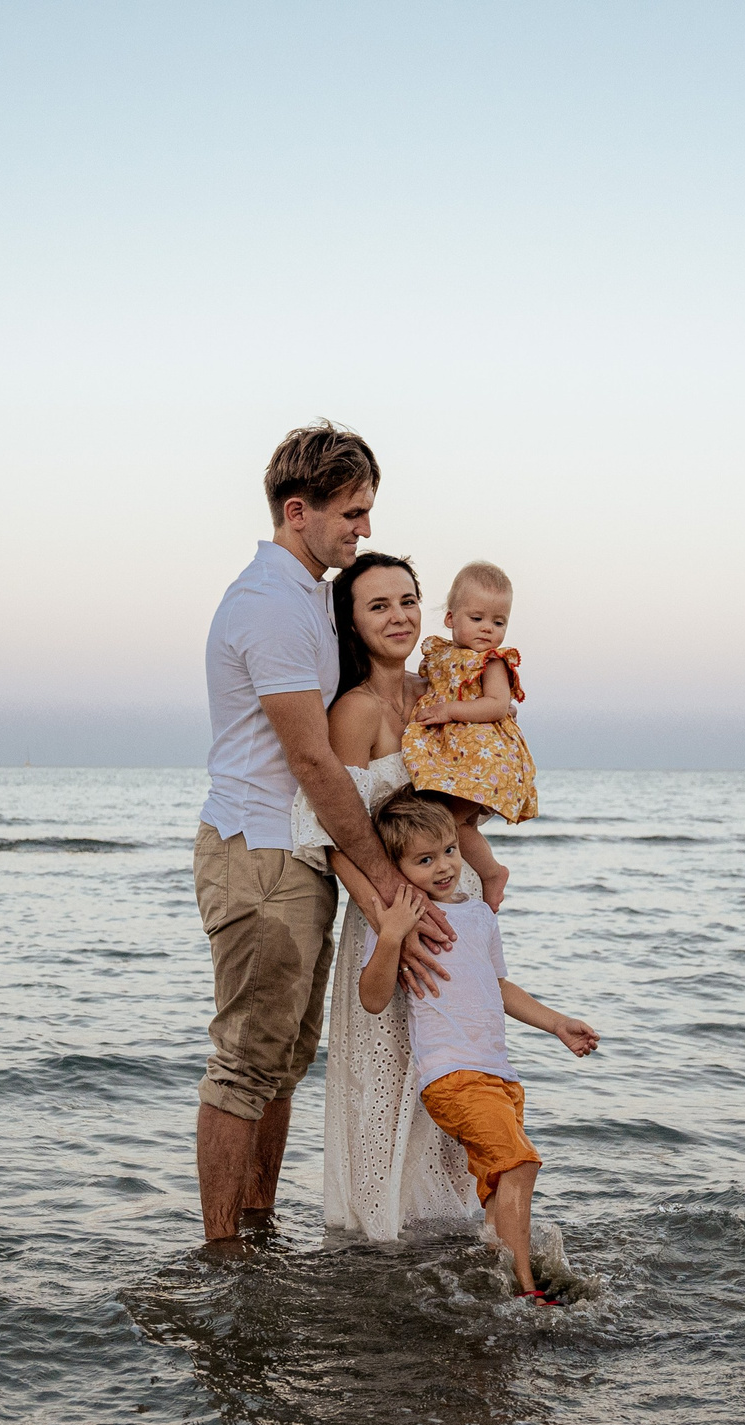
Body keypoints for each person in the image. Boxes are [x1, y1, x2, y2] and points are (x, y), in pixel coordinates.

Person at [192, 422, 445, 1244]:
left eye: (368, 512)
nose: (364, 529)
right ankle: (223, 1256)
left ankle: (257, 1232)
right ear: (298, 511)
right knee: (244, 1065)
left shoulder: (307, 597)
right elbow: (312, 761)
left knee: (284, 1061)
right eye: (353, 513)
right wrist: (384, 885)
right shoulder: (268, 605)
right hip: (259, 854)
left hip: (294, 859)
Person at [287, 552, 485, 1239]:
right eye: (378, 605)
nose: (398, 615)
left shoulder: (435, 698)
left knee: (450, 1084)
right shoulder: (355, 710)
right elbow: (331, 827)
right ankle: (376, 1246)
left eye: (407, 600)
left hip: (447, 916)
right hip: (388, 926)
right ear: (352, 622)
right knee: (385, 1091)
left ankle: (447, 1240)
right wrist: (388, 921)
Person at [356, 788, 597, 1302]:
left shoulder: (480, 917)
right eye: (423, 860)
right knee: (519, 1164)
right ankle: (524, 1290)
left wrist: (556, 1024)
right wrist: (392, 937)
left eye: (448, 850)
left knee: (497, 1185)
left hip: (500, 1074)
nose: (443, 867)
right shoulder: (409, 920)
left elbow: (499, 986)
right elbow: (373, 997)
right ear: (398, 868)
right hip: (452, 1075)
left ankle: (491, 1275)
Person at [402, 559, 537, 912]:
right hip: (457, 756)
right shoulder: (442, 655)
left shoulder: (492, 661)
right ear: (451, 618)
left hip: (484, 760)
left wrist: (450, 710)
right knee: (440, 818)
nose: (487, 629)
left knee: (449, 822)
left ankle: (492, 872)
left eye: (498, 621)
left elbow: (494, 705)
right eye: (476, 619)